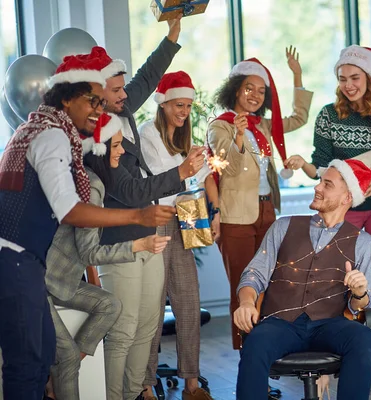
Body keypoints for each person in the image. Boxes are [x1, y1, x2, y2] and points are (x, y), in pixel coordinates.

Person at [0, 50, 174, 400]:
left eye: (100, 99)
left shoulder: (42, 126)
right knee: (29, 365)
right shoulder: (51, 137)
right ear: (66, 97)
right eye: (92, 100)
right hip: (15, 259)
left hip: (25, 260)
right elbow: (70, 210)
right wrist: (136, 216)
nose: (99, 108)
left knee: (43, 355)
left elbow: (89, 151)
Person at [284, 45, 371, 398]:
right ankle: (330, 362)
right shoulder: (328, 116)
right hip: (347, 208)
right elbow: (323, 167)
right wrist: (310, 170)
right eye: (342, 79)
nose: (348, 85)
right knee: (335, 283)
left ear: (370, 78)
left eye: (355, 78)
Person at [92, 16, 206, 400]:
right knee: (126, 330)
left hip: (149, 234)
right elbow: (130, 190)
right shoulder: (97, 135)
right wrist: (182, 172)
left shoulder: (123, 109)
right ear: (96, 93)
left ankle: (136, 391)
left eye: (124, 89)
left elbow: (147, 75)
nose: (126, 94)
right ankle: (122, 394)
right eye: (116, 90)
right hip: (123, 236)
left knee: (143, 326)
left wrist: (171, 36)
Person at [45, 113, 171, 400]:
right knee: (117, 332)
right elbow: (90, 252)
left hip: (63, 280)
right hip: (46, 282)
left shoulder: (91, 180)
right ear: (97, 150)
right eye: (116, 146)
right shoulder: (90, 188)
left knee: (116, 311)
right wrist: (138, 245)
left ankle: (124, 392)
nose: (123, 151)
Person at [234, 159, 371, 400]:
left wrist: (360, 292)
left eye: (327, 184)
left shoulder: (362, 242)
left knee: (363, 338)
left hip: (328, 325)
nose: (317, 188)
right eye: (320, 182)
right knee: (256, 343)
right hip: (280, 323)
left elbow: (360, 306)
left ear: (346, 197)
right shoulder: (283, 226)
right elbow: (254, 274)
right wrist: (247, 302)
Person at [208, 47, 313, 351]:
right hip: (236, 219)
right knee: (243, 290)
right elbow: (228, 164)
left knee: (269, 286)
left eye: (261, 90)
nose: (254, 95)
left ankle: (264, 353)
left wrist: (297, 75)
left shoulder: (264, 125)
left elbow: (298, 117)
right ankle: (248, 360)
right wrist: (239, 136)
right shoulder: (220, 125)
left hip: (267, 214)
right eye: (248, 88)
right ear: (235, 90)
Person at [139, 71, 218, 400]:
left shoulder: (186, 136)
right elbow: (160, 178)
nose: (184, 111)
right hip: (158, 217)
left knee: (189, 300)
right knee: (154, 304)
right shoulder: (146, 133)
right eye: (178, 105)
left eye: (187, 105)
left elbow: (199, 177)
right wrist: (188, 164)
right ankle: (145, 381)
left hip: (190, 213)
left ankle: (191, 382)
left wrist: (216, 213)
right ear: (163, 103)